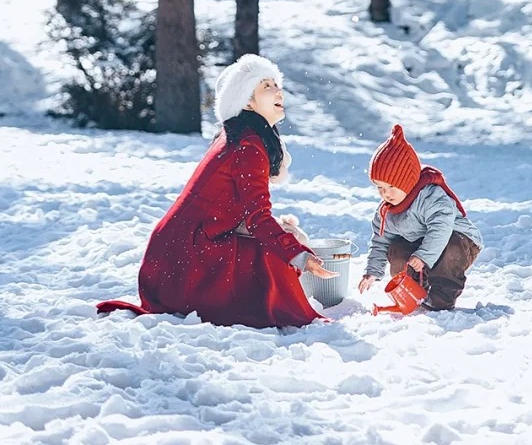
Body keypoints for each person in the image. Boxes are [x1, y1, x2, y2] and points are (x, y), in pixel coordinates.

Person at [96, 54, 335, 328]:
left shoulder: (239, 134)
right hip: (185, 260)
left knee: (284, 238)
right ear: (247, 100)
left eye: (276, 84)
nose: (278, 90)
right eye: (266, 86)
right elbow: (258, 219)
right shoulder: (248, 145)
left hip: (171, 258)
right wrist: (301, 256)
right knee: (273, 253)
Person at [357, 123, 482, 311]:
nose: (385, 194)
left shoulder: (431, 197)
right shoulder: (387, 212)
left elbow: (441, 228)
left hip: (460, 242)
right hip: (421, 246)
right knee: (396, 249)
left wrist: (423, 256)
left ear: (406, 182)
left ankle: (441, 298)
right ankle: (417, 291)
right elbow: (380, 242)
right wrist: (372, 272)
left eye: (391, 186)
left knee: (450, 248)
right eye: (380, 187)